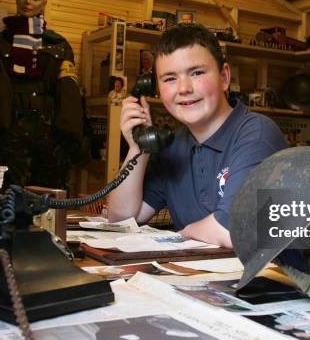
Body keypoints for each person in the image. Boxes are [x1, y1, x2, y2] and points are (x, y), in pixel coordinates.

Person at [107, 24, 287, 248]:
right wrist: (139, 147)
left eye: (197, 73)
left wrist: (181, 235)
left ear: (224, 77)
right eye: (170, 78)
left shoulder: (257, 135)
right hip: (205, 278)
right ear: (156, 88)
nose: (183, 88)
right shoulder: (172, 147)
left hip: (269, 281)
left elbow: (232, 230)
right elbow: (120, 219)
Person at [0, 0, 85, 189]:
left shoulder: (58, 45)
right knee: (5, 195)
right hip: (7, 129)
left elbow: (68, 95)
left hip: (48, 132)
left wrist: (69, 138)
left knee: (47, 197)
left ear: (44, 4)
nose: (28, 1)